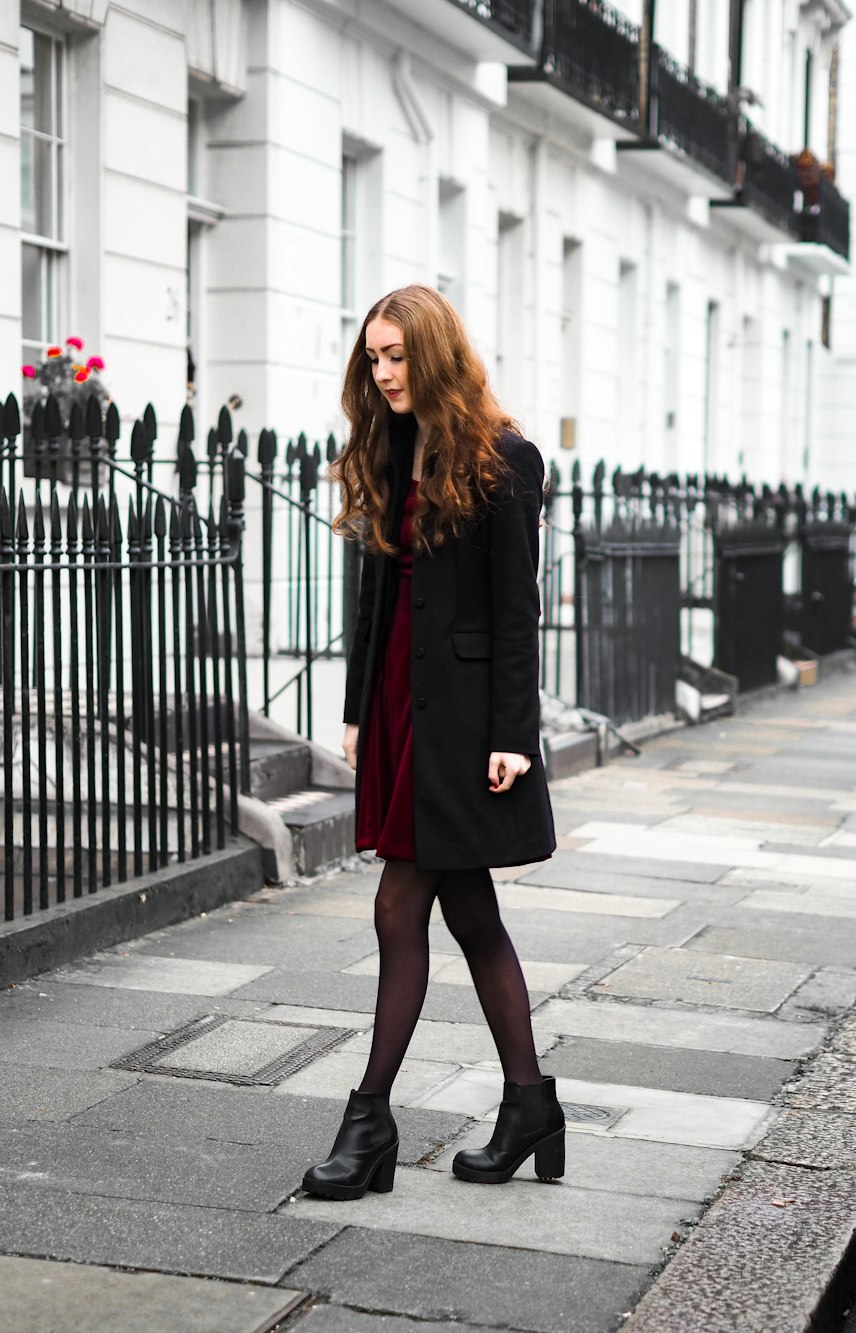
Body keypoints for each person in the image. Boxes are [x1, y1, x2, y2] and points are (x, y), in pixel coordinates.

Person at [301, 284, 562, 1201]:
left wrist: (512, 733)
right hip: (400, 705)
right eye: (373, 358)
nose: (383, 372)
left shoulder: (505, 459)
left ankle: (369, 1117)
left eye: (397, 356)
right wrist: (356, 702)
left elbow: (514, 611)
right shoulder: (393, 447)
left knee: (398, 907)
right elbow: (375, 594)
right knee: (469, 914)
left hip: (461, 724)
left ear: (436, 354)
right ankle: (529, 1102)